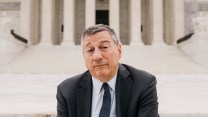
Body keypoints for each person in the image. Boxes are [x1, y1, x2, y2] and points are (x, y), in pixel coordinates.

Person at [56, 24, 159, 117]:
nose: (97, 56)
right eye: (90, 50)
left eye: (104, 47)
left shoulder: (143, 84)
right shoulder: (66, 91)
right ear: (84, 55)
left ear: (119, 50)